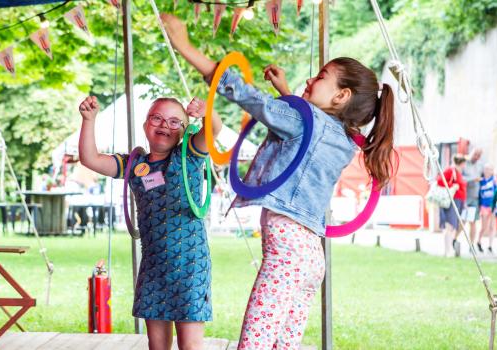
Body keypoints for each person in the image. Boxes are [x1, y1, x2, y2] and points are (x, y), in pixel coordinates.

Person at [160, 14, 396, 349]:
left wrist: (184, 45)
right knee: (282, 345)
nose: (312, 79)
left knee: (254, 342)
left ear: (342, 96)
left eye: (321, 76)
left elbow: (247, 97)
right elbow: (307, 129)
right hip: (311, 257)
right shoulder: (345, 138)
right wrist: (286, 92)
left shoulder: (303, 121)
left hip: (287, 252)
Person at [78, 95, 222, 350]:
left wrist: (207, 111)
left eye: (174, 121)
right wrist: (88, 120)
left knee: (190, 346)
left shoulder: (189, 155)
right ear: (146, 125)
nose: (165, 125)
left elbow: (213, 129)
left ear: (185, 129)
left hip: (190, 266)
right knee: (156, 346)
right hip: (154, 267)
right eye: (157, 118)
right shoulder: (135, 164)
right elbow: (90, 159)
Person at [437, 154, 467, 257]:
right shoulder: (451, 171)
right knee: (449, 227)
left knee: (453, 227)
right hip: (451, 201)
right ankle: (447, 251)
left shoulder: (458, 172)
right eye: (464, 163)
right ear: (462, 163)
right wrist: (452, 186)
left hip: (458, 201)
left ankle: (449, 249)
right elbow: (440, 181)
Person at [462, 148, 483, 245]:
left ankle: (471, 244)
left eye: (479, 156)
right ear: (471, 153)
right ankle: (454, 240)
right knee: (462, 221)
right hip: (465, 197)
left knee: (473, 222)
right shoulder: (464, 163)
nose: (476, 157)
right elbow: (460, 178)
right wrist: (472, 179)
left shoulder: (480, 165)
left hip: (475, 197)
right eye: (475, 155)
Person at [477, 164, 497, 253]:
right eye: (486, 169)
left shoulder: (494, 180)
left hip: (492, 206)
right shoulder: (481, 181)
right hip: (484, 206)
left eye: (489, 169)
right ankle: (478, 241)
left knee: (492, 227)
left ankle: (490, 245)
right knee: (484, 226)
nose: (487, 171)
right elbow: (478, 194)